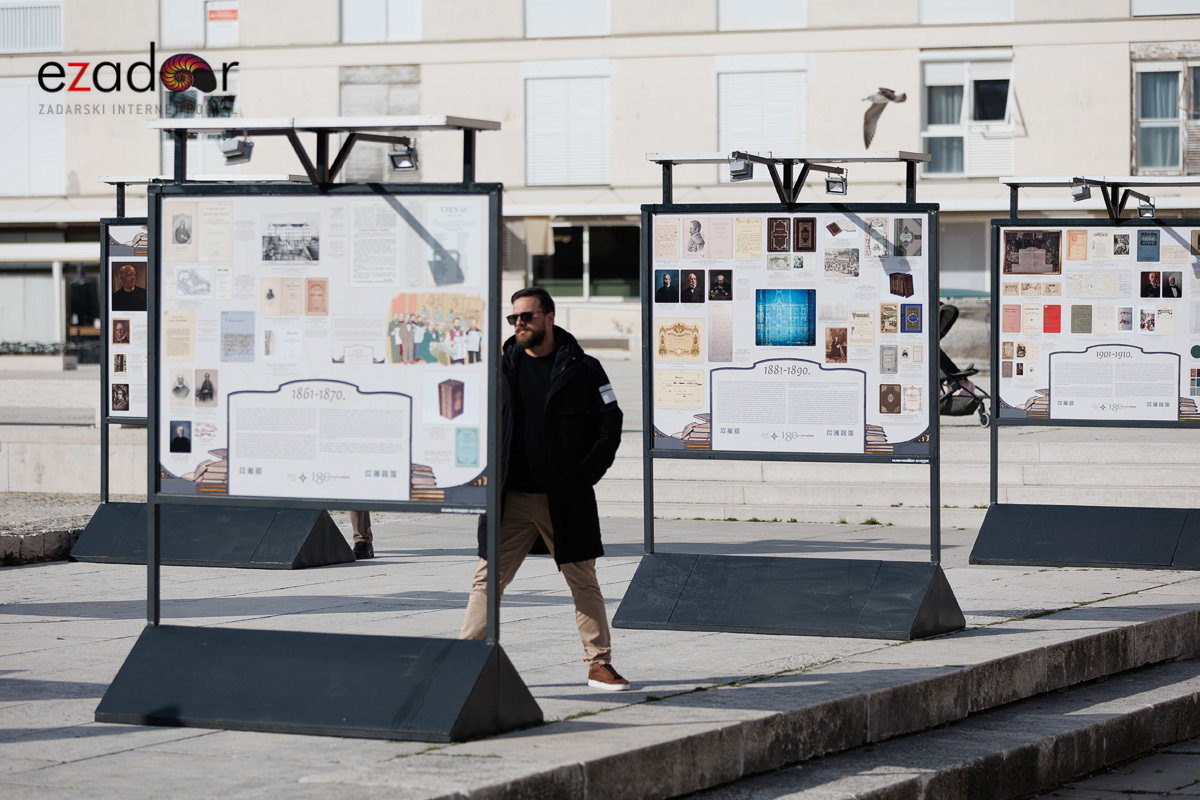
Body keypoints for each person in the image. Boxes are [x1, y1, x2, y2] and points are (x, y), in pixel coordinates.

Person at [460, 287, 628, 691]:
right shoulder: (500, 369)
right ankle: (464, 661)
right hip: (509, 499)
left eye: (527, 317)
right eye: (514, 318)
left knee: (583, 581)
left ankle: (598, 664)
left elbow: (611, 423)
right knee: (487, 579)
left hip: (563, 499)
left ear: (549, 317)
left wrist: (584, 474)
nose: (519, 324)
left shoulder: (583, 369)